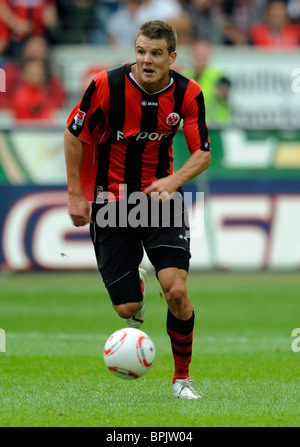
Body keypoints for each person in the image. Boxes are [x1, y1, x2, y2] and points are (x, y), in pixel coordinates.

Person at [64, 20, 211, 399]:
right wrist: (76, 195)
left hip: (160, 201)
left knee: (176, 290)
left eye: (156, 53)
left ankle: (182, 379)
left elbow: (202, 153)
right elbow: (74, 134)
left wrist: (173, 181)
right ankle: (136, 290)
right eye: (141, 51)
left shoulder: (188, 93)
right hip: (111, 202)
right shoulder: (105, 86)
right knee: (127, 308)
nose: (146, 60)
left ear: (172, 58)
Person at [183, 39, 232, 127]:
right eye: (197, 54)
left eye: (203, 54)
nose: (200, 57)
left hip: (214, 128)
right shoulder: (184, 76)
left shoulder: (219, 77)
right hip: (189, 128)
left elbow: (224, 92)